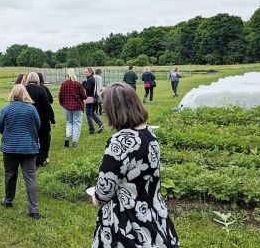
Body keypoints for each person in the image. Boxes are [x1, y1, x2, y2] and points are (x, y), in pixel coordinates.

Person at [91, 83, 179, 247]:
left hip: (127, 220)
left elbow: (105, 190)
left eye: (106, 108)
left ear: (114, 110)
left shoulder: (120, 141)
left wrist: (96, 197)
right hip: (153, 211)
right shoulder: (149, 132)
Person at [0, 84, 41, 220]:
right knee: (30, 177)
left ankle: (8, 200)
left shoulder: (6, 109)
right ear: (25, 94)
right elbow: (38, 125)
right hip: (29, 148)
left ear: (12, 94)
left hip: (10, 148)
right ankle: (34, 210)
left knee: (10, 174)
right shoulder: (32, 109)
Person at [24, 72, 55, 167]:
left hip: (26, 118)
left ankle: (29, 158)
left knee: (30, 139)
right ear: (37, 79)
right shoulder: (41, 90)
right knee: (45, 139)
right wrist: (52, 118)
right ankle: (41, 158)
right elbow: (47, 106)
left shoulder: (23, 89)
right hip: (41, 118)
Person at [58, 68, 87, 148]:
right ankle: (74, 143)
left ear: (67, 74)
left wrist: (63, 103)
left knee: (69, 122)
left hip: (67, 106)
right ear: (75, 74)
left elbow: (60, 96)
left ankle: (67, 137)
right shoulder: (78, 84)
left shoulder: (64, 84)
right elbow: (84, 96)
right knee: (77, 123)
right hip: (77, 106)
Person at [83, 68, 105, 134]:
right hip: (95, 98)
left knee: (88, 114)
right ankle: (101, 124)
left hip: (90, 98)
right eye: (84, 72)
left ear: (90, 72)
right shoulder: (92, 78)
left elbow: (89, 89)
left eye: (86, 72)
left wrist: (84, 84)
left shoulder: (89, 79)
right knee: (92, 113)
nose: (84, 73)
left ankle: (91, 130)